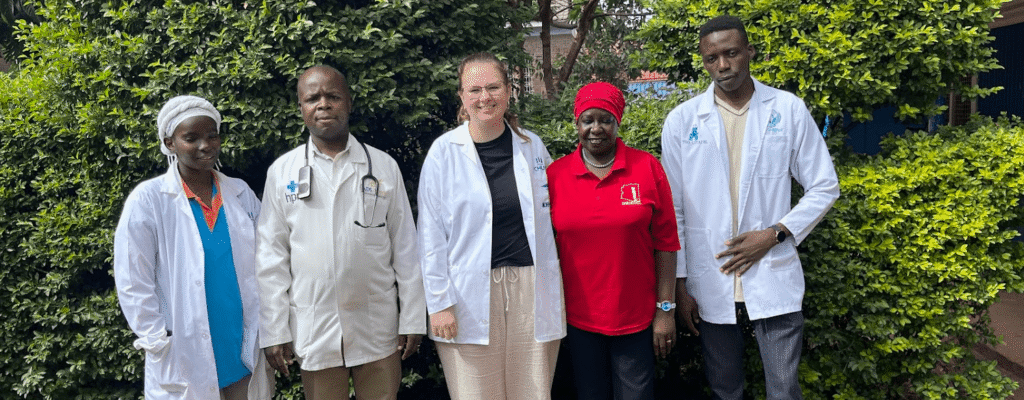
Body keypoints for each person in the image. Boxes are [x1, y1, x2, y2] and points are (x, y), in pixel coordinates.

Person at [660, 15, 840, 400]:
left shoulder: (787, 110)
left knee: (783, 389)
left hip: (772, 271)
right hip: (710, 276)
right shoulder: (681, 121)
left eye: (731, 54)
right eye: (712, 59)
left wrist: (774, 234)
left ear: (749, 52)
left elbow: (825, 185)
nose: (722, 66)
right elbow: (672, 210)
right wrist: (680, 283)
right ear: (703, 61)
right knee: (725, 388)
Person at [256, 65, 425, 400]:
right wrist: (274, 329)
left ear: (349, 102)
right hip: (315, 326)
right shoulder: (282, 172)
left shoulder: (382, 166)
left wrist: (413, 318)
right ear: (301, 107)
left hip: (376, 325)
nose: (323, 105)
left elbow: (406, 247)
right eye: (312, 98)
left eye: (332, 96)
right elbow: (271, 258)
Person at [417, 52, 566, 400]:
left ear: (509, 90)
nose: (485, 97)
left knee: (533, 392)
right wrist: (438, 303)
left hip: (531, 290)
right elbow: (429, 234)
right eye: (475, 89)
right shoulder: (444, 152)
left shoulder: (532, 146)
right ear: (462, 97)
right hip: (466, 295)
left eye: (494, 87)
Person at [113, 95, 274, 399]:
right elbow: (133, 280)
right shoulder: (149, 200)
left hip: (240, 343)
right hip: (184, 350)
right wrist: (157, 339)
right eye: (191, 138)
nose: (205, 145)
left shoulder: (240, 193)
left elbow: (268, 261)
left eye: (212, 135)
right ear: (169, 142)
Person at [546, 82, 685, 400]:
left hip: (636, 319)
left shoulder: (646, 168)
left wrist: (665, 310)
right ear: (577, 124)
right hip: (578, 321)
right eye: (588, 120)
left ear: (617, 122)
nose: (596, 128)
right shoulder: (555, 176)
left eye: (605, 119)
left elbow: (666, 243)